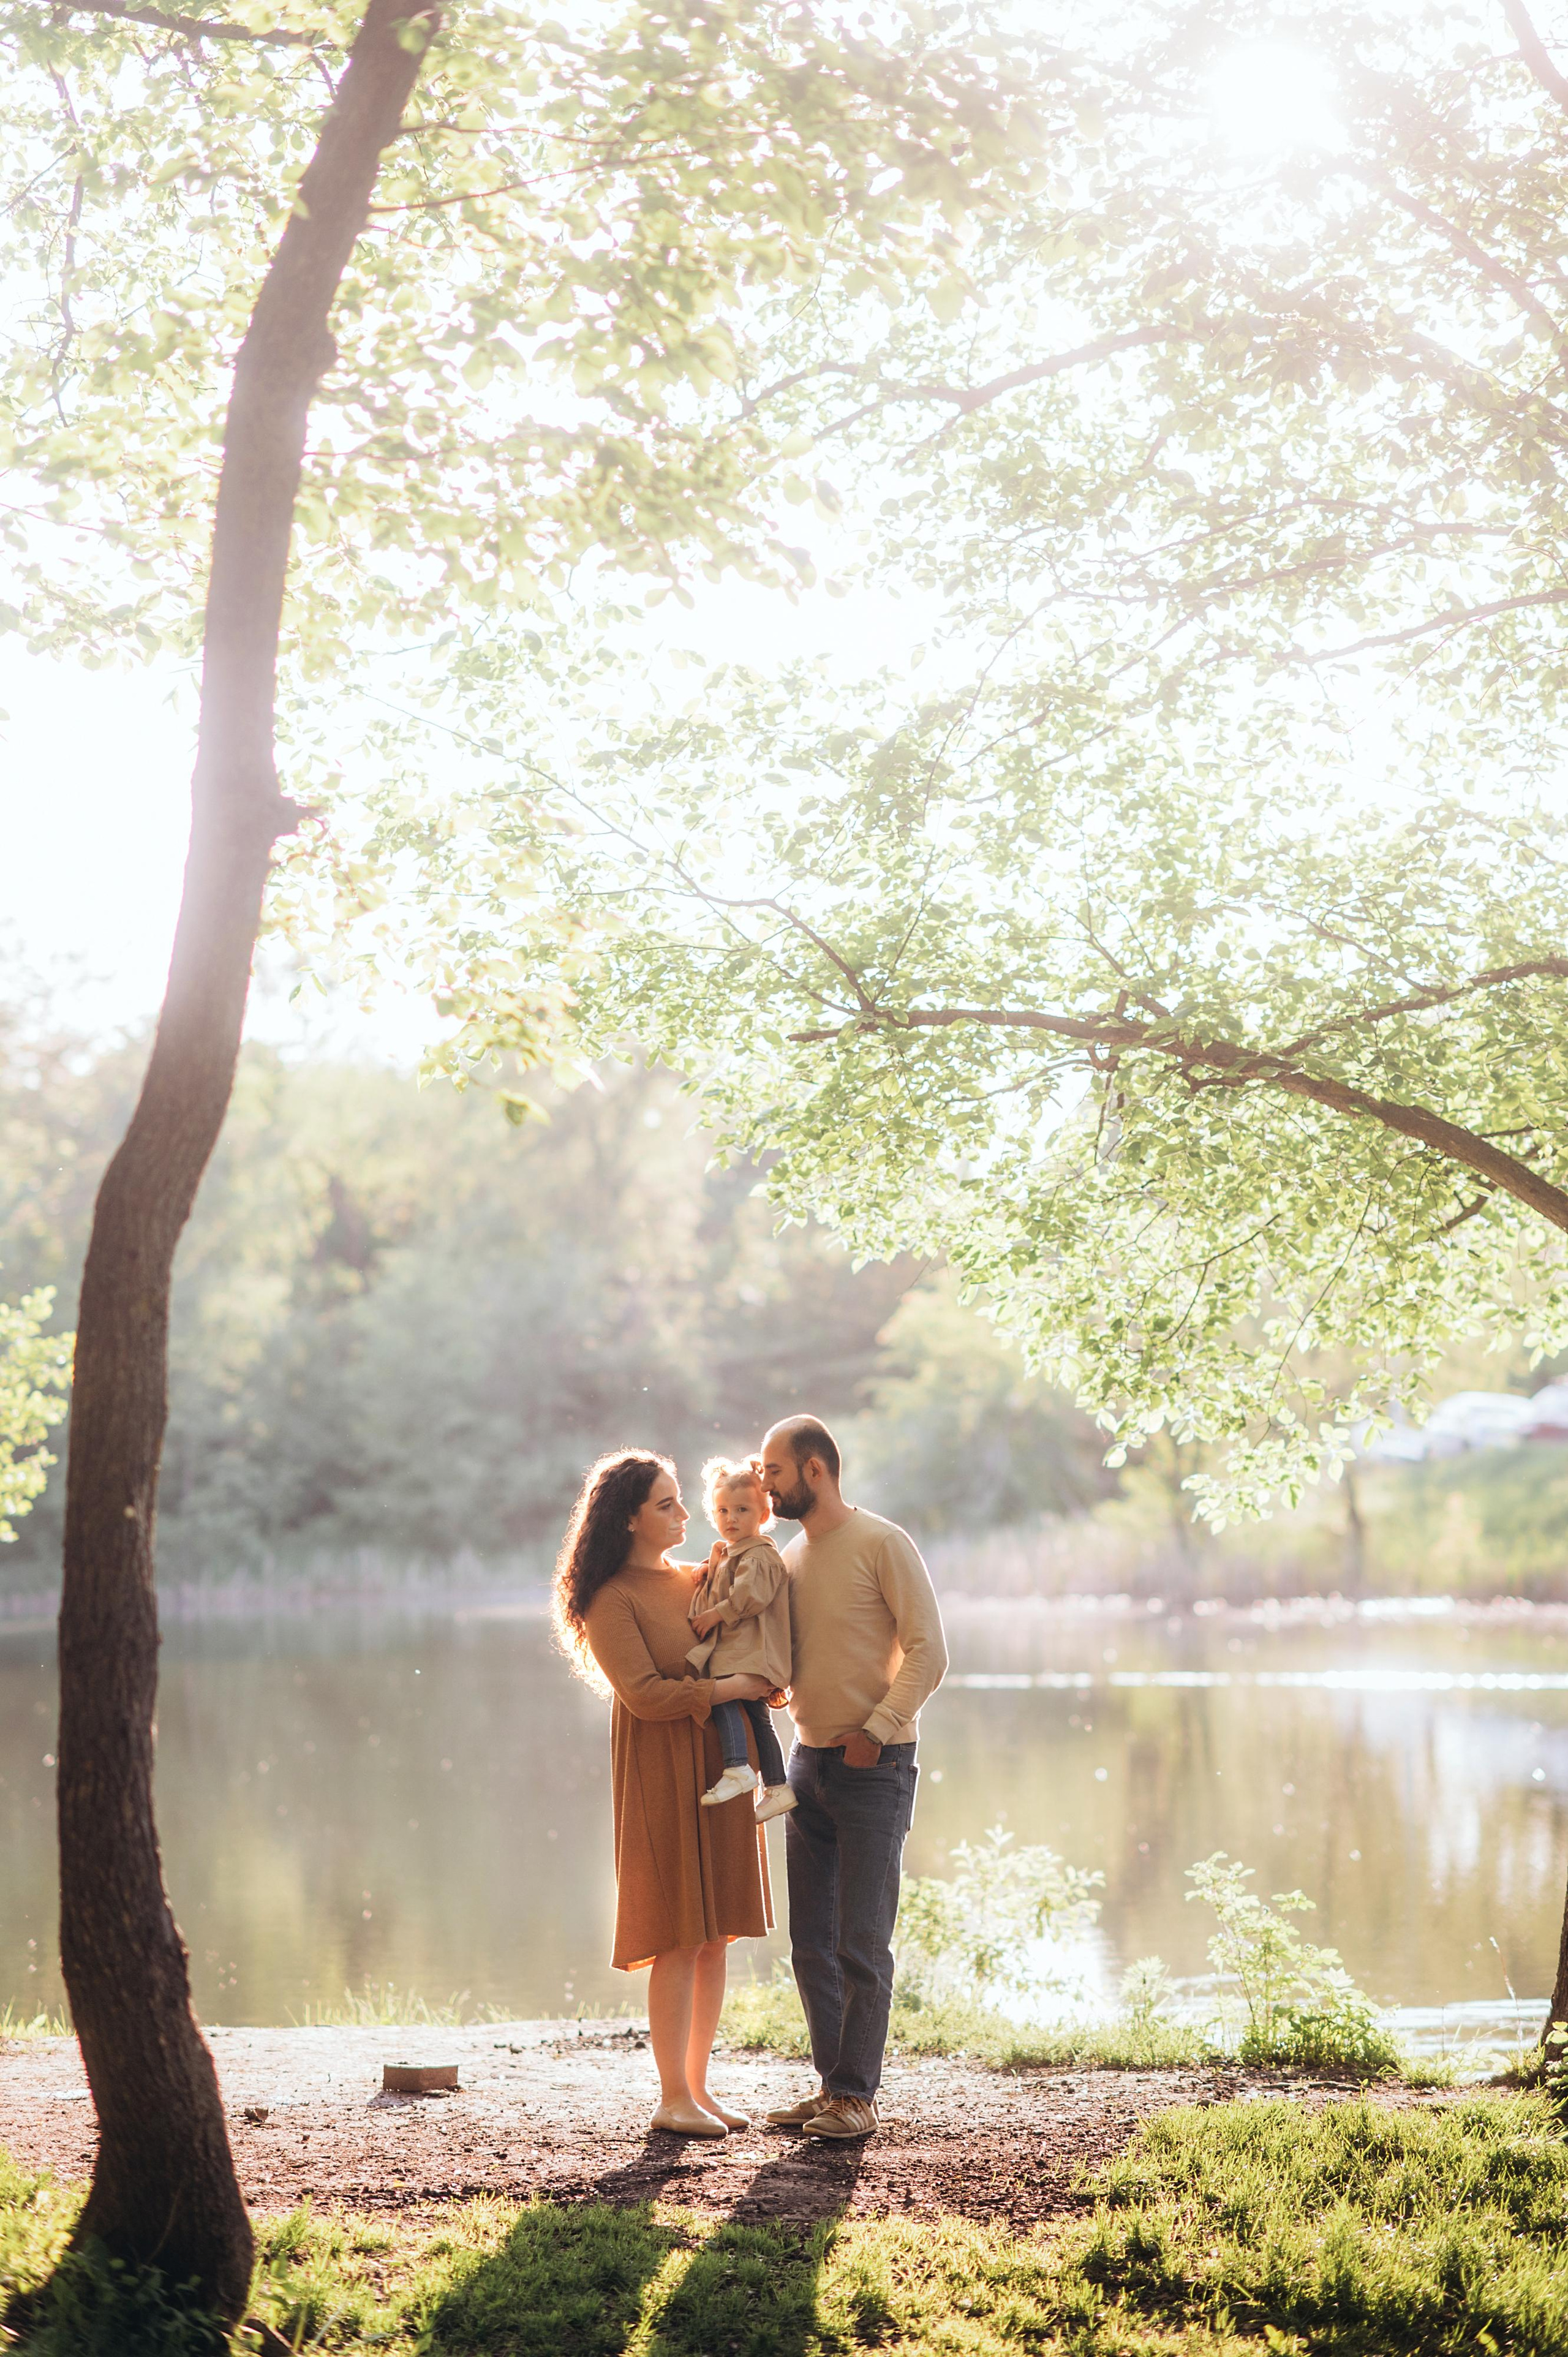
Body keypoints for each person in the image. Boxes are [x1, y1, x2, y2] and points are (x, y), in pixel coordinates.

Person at [555, 1448, 775, 2138]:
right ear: (628, 1518)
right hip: (660, 1768)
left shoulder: (698, 1577)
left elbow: (751, 1634)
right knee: (680, 1932)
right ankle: (670, 2095)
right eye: (667, 1504)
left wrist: (760, 1679)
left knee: (716, 1935)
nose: (687, 1513)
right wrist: (728, 1689)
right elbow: (646, 1696)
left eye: (682, 1500)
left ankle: (700, 2088)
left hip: (721, 1761)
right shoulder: (609, 1596)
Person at [760, 1414, 948, 2143]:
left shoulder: (882, 1541)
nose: (764, 1483)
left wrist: (875, 1732)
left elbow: (930, 1653)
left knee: (861, 1942)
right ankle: (831, 2086)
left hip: (876, 1764)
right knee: (811, 1940)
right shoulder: (790, 1555)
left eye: (773, 1470)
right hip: (808, 1762)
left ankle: (856, 2096)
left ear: (813, 1469)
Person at [685, 1455, 797, 1822]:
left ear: (764, 1514)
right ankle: (778, 1787)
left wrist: (717, 1614)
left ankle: (738, 1767)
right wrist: (710, 1568)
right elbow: (724, 1582)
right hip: (745, 1653)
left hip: (748, 1652)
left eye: (742, 1510)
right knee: (759, 1719)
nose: (731, 1519)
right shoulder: (731, 1554)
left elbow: (750, 1596)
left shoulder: (760, 1554)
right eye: (722, 1511)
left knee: (722, 1697)